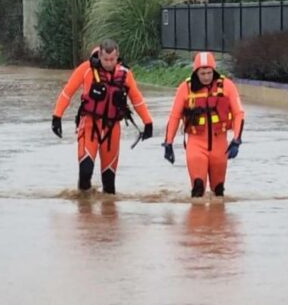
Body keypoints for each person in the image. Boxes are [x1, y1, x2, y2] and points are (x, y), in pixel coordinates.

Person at [52, 39, 153, 194]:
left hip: (112, 129)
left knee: (109, 184)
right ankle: (84, 210)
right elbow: (68, 92)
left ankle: (108, 214)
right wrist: (57, 117)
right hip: (89, 124)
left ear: (117, 56)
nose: (108, 63)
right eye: (105, 59)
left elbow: (137, 99)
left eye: (112, 59)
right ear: (99, 55)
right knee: (85, 172)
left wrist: (148, 123)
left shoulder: (125, 74)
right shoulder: (86, 69)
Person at [162, 51, 245, 198]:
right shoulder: (185, 89)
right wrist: (168, 143)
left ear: (214, 70)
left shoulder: (227, 86)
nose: (206, 77)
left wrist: (236, 140)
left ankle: (216, 220)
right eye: (202, 73)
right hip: (196, 145)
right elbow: (174, 116)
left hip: (220, 146)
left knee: (218, 191)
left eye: (209, 73)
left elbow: (239, 113)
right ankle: (197, 220)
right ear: (196, 72)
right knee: (198, 188)